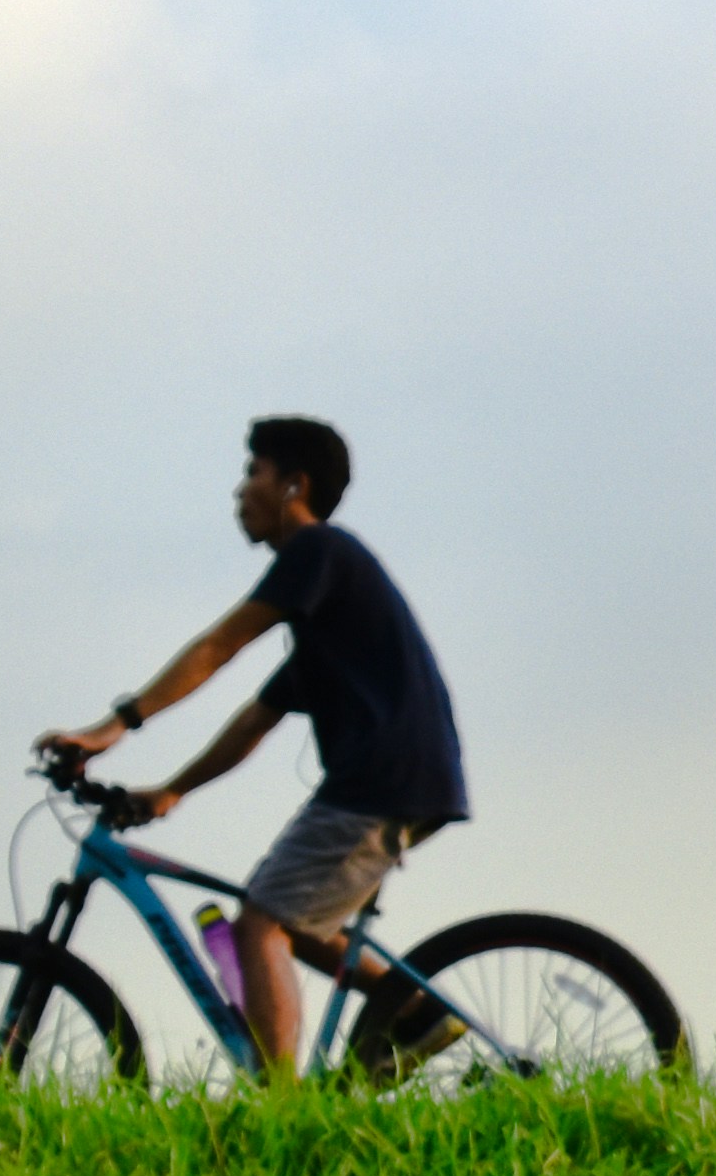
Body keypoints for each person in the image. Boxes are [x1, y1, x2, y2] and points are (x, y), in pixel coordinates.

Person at [39, 416, 466, 1076]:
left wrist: (113, 727)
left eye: (252, 473)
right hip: (406, 776)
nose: (240, 491)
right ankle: (418, 1016)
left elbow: (220, 645)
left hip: (381, 778)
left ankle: (280, 1103)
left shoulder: (317, 551)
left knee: (260, 923)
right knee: (298, 922)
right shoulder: (327, 612)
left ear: (295, 485)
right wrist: (172, 790)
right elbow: (254, 722)